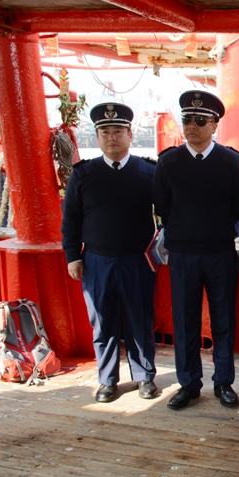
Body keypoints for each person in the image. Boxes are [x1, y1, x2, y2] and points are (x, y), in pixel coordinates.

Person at [153, 90, 239, 410]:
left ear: (214, 125)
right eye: (186, 120)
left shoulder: (231, 162)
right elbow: (162, 206)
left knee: (223, 320)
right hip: (183, 255)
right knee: (185, 322)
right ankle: (189, 383)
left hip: (220, 252)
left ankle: (223, 382)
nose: (191, 126)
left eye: (199, 120)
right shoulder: (168, 162)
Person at [62, 102, 157, 403]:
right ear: (97, 136)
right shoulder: (84, 174)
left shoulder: (149, 172)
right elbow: (71, 219)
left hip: (137, 260)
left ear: (130, 134)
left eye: (118, 131)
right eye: (105, 132)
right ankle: (107, 380)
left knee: (139, 319)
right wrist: (72, 256)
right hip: (97, 260)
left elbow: (168, 213)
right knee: (102, 322)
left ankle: (144, 376)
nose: (111, 137)